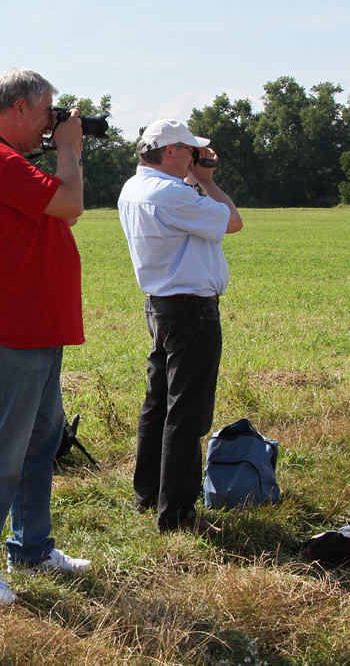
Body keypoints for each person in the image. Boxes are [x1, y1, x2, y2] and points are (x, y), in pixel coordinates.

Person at [0, 68, 91, 608]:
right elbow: (71, 204)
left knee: (38, 443)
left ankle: (31, 547)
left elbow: (62, 210)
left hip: (37, 327)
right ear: (19, 109)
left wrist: (64, 152)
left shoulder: (11, 162)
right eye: (46, 112)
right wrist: (69, 152)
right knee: (2, 450)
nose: (51, 123)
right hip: (9, 329)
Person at [117, 119, 243, 536]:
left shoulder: (133, 188)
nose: (196, 157)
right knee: (187, 411)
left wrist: (192, 175)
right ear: (169, 150)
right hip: (192, 311)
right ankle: (177, 514)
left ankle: (149, 494)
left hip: (161, 306)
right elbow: (232, 221)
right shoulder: (172, 192)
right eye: (190, 150)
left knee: (159, 404)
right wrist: (204, 180)